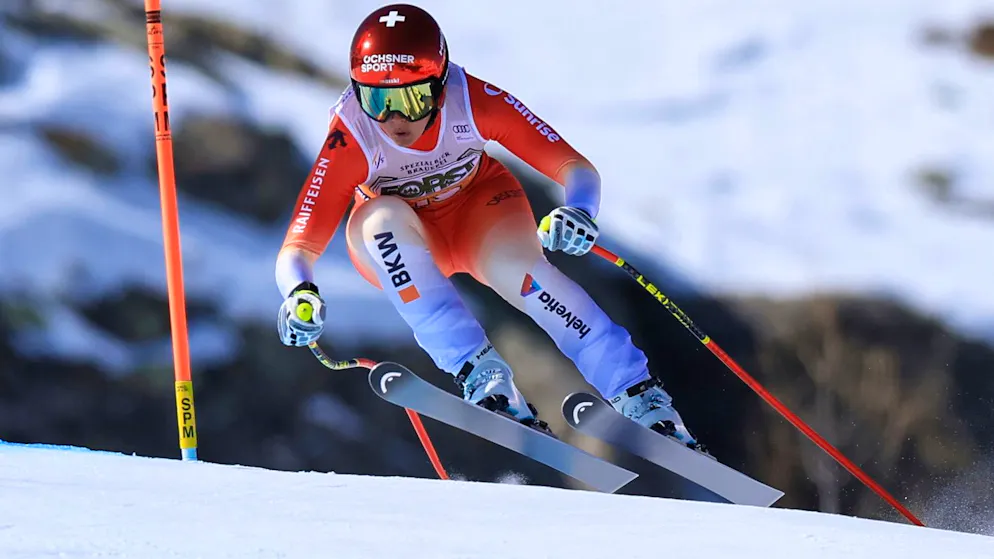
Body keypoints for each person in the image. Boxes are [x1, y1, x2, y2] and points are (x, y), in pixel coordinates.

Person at [275, 3, 702, 449]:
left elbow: (576, 168)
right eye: (377, 100)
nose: (393, 120)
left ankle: (640, 398)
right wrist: (299, 293)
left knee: (528, 280)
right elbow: (298, 246)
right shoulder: (353, 132)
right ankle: (482, 375)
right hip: (403, 244)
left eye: (411, 99)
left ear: (440, 87)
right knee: (380, 220)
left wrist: (578, 210)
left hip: (482, 215)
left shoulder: (472, 100)